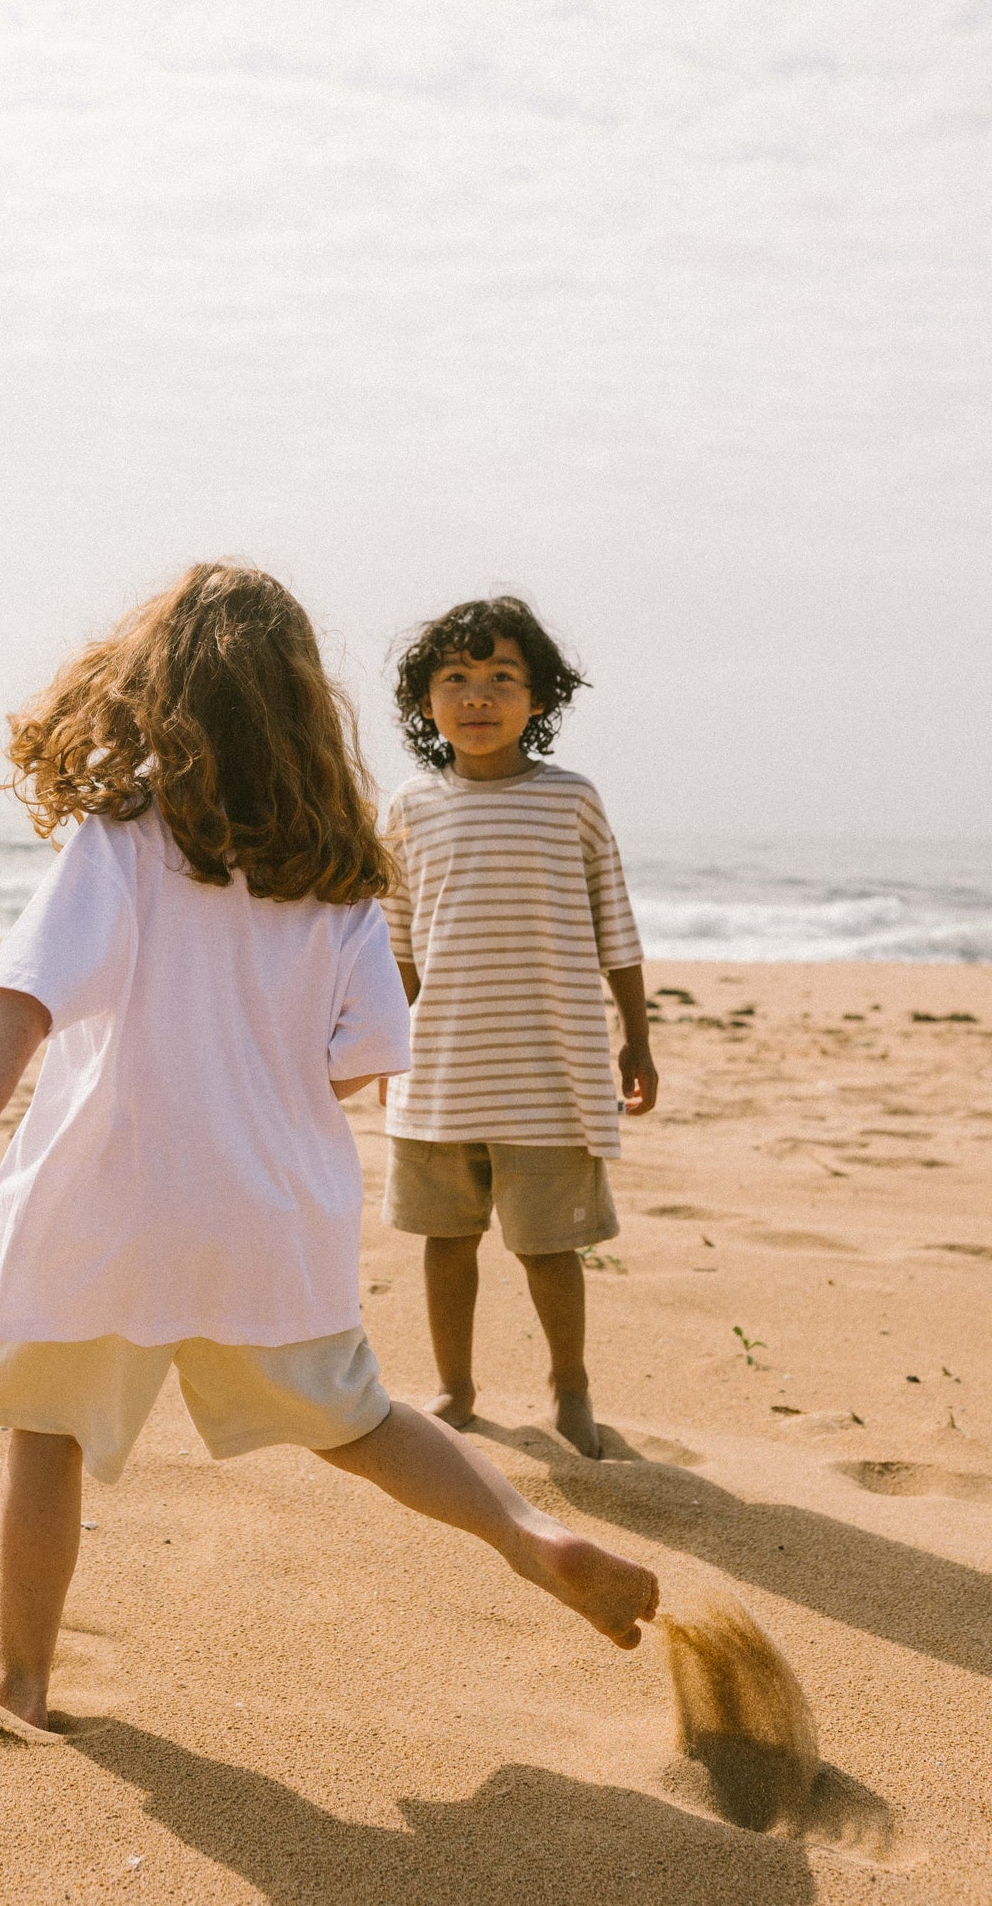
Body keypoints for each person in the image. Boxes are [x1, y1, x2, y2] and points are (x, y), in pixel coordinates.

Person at [0, 564, 658, 1732]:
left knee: (46, 1438)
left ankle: (23, 1681)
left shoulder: (129, 837)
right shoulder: (340, 869)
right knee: (359, 1419)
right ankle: (525, 1531)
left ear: (157, 692)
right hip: (268, 1205)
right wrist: (258, 1081)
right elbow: (361, 1058)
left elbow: (29, 988)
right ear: (303, 706)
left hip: (108, 1196)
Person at [382, 596, 658, 1459]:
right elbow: (394, 936)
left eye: (501, 678)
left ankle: (568, 1386)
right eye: (454, 679)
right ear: (426, 703)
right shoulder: (409, 806)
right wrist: (377, 1040)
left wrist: (636, 1036)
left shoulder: (569, 800)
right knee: (445, 1240)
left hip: (550, 1070)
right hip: (439, 1070)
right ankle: (455, 1387)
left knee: (550, 1249)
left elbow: (614, 922)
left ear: (536, 699)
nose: (476, 696)